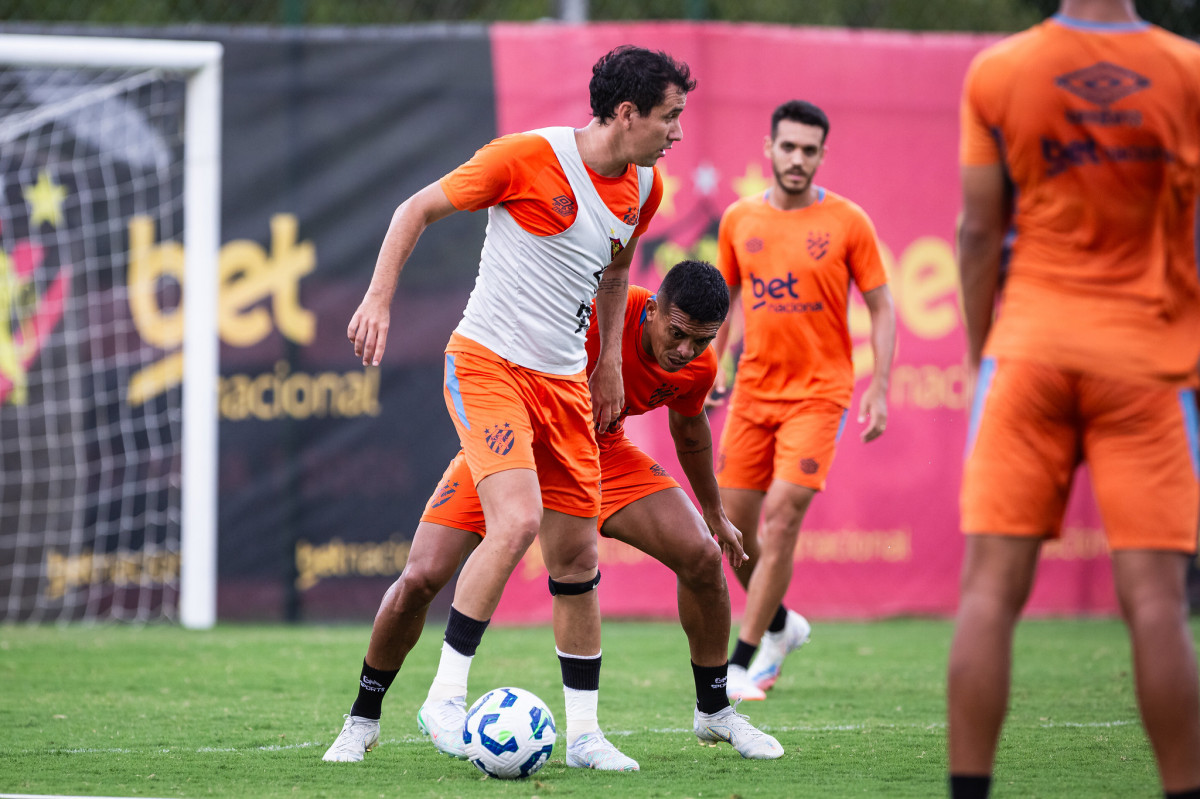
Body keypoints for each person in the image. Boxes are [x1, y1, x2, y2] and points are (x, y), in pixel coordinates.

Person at [335, 45, 696, 771]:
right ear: (627, 113)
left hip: (563, 390)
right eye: (669, 116)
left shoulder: (645, 185)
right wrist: (377, 298)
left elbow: (617, 271)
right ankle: (428, 700)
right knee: (502, 531)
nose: (677, 132)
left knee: (576, 557)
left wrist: (605, 364)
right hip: (488, 367)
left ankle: (586, 736)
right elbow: (416, 208)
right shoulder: (525, 157)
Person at [323, 260, 785, 766]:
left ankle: (710, 711)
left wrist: (715, 513)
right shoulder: (591, 313)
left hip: (599, 452)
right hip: (518, 441)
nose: (686, 351)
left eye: (701, 340)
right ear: (652, 310)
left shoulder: (699, 365)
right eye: (678, 334)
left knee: (701, 556)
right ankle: (363, 719)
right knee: (421, 578)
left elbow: (690, 430)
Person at [947, 2, 1200, 797]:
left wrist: (983, 351)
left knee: (989, 593)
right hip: (1146, 362)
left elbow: (977, 233)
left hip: (1030, 352)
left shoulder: (1001, 70)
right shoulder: (1188, 72)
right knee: (1156, 603)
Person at [708, 99, 896, 701]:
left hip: (820, 394)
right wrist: (713, 368)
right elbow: (725, 303)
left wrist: (880, 387)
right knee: (731, 530)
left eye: (808, 150)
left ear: (822, 155)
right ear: (769, 148)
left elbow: (882, 307)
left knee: (784, 514)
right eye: (787, 147)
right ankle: (782, 625)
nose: (797, 158)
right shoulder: (739, 219)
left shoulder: (848, 222)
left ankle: (742, 661)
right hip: (754, 392)